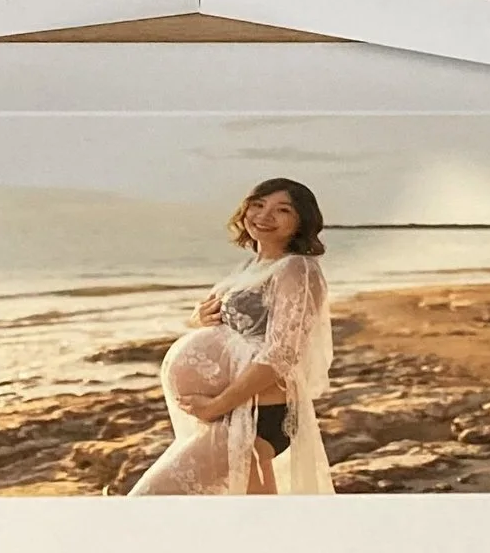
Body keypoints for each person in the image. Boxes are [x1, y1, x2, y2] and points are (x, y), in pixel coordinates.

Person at [127, 179, 335, 497]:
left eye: (282, 210)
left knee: (151, 498)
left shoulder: (297, 269)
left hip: (257, 414)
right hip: (238, 410)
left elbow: (282, 353)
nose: (265, 216)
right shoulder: (251, 266)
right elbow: (239, 330)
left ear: (301, 221)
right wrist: (199, 319)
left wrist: (215, 406)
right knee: (256, 515)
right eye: (258, 205)